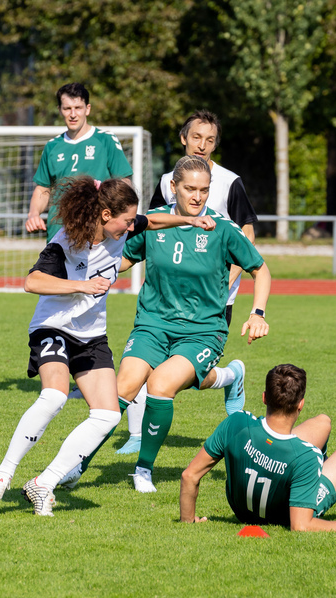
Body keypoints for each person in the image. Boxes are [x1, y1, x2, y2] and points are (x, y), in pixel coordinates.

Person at [0, 175, 216, 516]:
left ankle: (44, 483)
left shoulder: (122, 228)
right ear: (106, 215)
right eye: (126, 221)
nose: (131, 227)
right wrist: (82, 285)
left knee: (107, 415)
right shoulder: (67, 241)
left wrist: (189, 220)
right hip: (53, 328)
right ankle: (3, 473)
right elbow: (32, 281)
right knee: (54, 396)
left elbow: (152, 221)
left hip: (92, 336)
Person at [61, 155, 271, 494]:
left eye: (204, 190)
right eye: (190, 189)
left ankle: (143, 469)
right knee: (121, 388)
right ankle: (76, 466)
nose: (197, 197)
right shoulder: (152, 223)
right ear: (173, 187)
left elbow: (261, 269)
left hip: (203, 330)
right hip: (153, 324)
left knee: (159, 385)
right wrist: (85, 271)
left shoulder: (222, 228)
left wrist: (257, 313)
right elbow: (122, 259)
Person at [119, 109, 258, 455]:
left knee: (183, 375)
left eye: (210, 140)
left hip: (213, 297)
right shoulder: (168, 179)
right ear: (184, 138)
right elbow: (153, 227)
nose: (202, 145)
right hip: (165, 301)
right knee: (151, 370)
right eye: (196, 137)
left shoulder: (230, 181)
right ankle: (136, 436)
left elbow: (247, 236)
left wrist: (225, 283)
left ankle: (228, 377)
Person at [180, 363, 336, 531]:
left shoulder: (235, 423)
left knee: (323, 422)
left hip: (242, 509)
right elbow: (301, 525)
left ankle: (305, 479)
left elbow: (189, 476)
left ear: (265, 397)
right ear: (300, 405)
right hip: (283, 514)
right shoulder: (305, 456)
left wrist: (188, 520)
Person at [26, 82, 133, 241]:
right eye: (67, 108)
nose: (73, 114)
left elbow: (124, 182)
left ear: (87, 109)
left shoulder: (105, 140)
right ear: (60, 110)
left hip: (97, 231)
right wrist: (33, 214)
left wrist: (119, 213)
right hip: (59, 232)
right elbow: (43, 189)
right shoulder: (52, 146)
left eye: (78, 108)